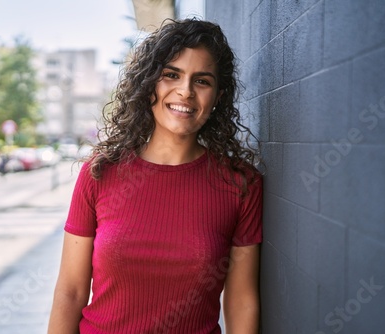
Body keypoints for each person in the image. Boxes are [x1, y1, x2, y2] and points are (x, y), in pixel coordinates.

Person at [48, 18, 263, 334]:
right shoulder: (100, 173)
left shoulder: (240, 184)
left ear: (217, 97)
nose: (185, 91)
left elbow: (241, 300)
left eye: (201, 81)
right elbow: (70, 292)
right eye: (171, 75)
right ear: (150, 85)